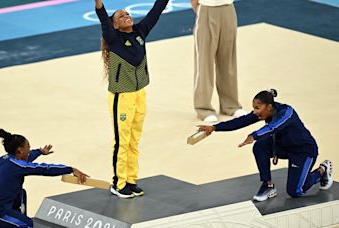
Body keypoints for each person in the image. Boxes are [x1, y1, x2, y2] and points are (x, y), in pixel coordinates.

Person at [198, 89, 333, 201]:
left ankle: (322, 170)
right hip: (282, 147)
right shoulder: (264, 112)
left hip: (303, 151)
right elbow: (241, 121)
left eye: (257, 108)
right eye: (254, 108)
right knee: (260, 146)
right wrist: (215, 128)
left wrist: (254, 136)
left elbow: (273, 128)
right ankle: (268, 185)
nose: (255, 112)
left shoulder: (286, 112)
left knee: (295, 191)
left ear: (269, 107)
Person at [95, 0, 169, 198]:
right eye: (121, 16)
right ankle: (118, 184)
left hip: (139, 94)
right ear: (115, 25)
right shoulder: (114, 38)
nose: (127, 15)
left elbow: (157, 10)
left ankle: (131, 180)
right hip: (122, 97)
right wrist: (99, 5)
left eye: (127, 13)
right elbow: (103, 18)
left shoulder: (140, 32)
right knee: (122, 141)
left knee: (134, 139)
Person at [0, 129, 88, 228]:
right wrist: (71, 169)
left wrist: (40, 152)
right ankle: (12, 220)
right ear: (20, 150)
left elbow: (25, 160)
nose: (30, 149)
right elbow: (44, 169)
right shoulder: (17, 166)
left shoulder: (2, 160)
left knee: (21, 193)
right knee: (26, 224)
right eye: (28, 146)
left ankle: (13, 217)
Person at [190, 0, 246, 123]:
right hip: (206, 8)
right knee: (204, 62)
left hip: (228, 8)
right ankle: (203, 108)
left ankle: (230, 105)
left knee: (228, 59)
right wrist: (200, 9)